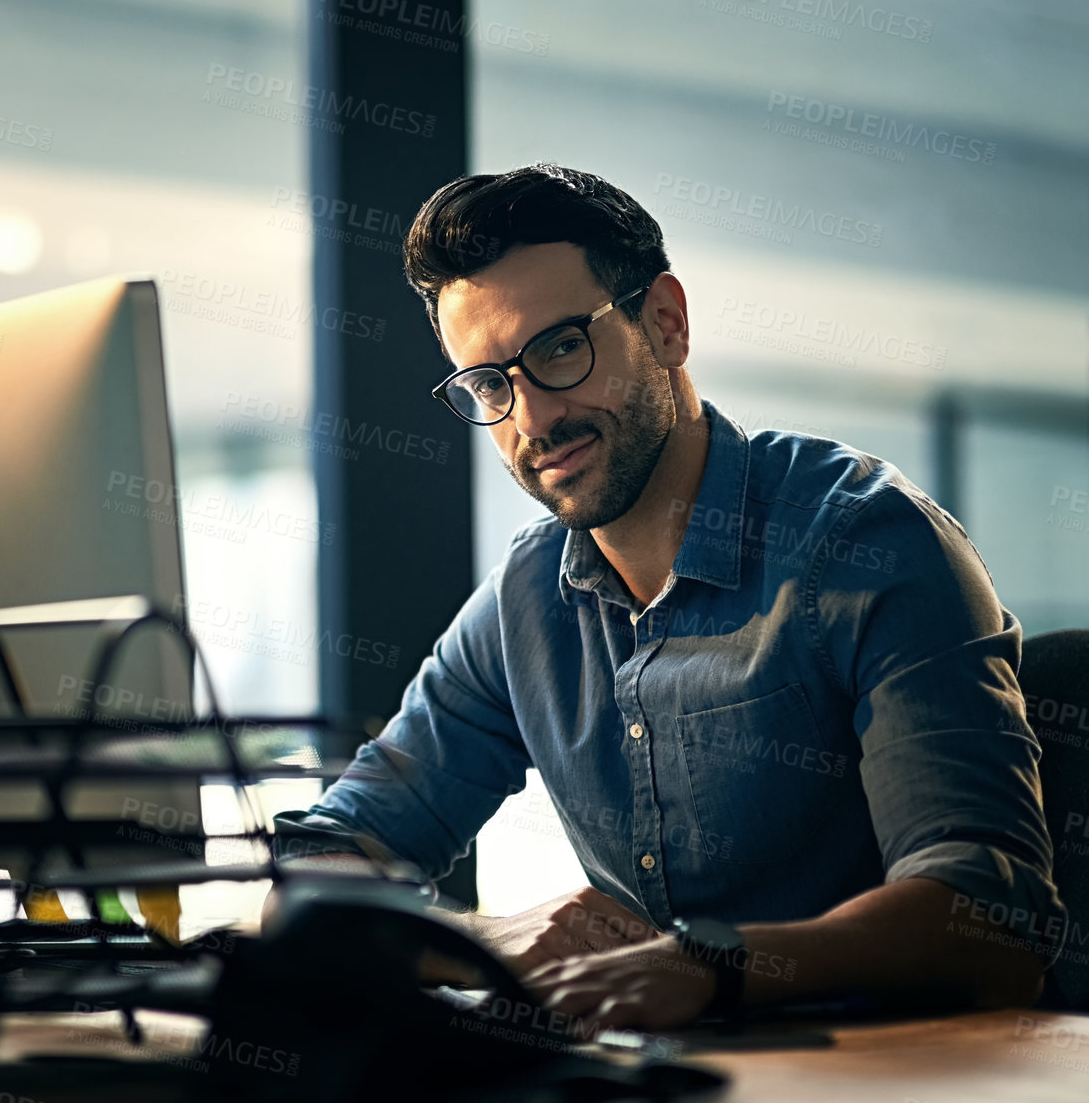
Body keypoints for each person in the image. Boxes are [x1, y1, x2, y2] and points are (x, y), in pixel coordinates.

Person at [273, 163, 1063, 1031]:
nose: (530, 418)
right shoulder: (525, 604)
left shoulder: (865, 546)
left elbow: (989, 918)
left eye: (559, 349)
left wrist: (711, 962)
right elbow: (314, 875)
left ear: (665, 323)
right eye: (491, 385)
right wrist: (482, 940)